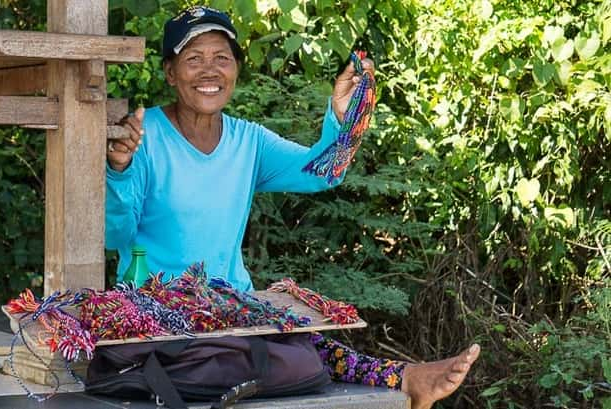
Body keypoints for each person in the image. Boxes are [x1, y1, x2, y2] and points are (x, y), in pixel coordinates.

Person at [105, 6, 480, 409]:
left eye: (222, 59)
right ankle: (405, 377)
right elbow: (116, 235)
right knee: (291, 356)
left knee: (300, 344)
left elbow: (322, 172)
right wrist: (120, 170)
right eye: (193, 59)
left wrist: (343, 114)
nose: (209, 71)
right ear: (169, 72)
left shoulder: (248, 141)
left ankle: (406, 378)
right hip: (162, 318)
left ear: (236, 70)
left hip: (236, 314)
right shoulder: (144, 136)